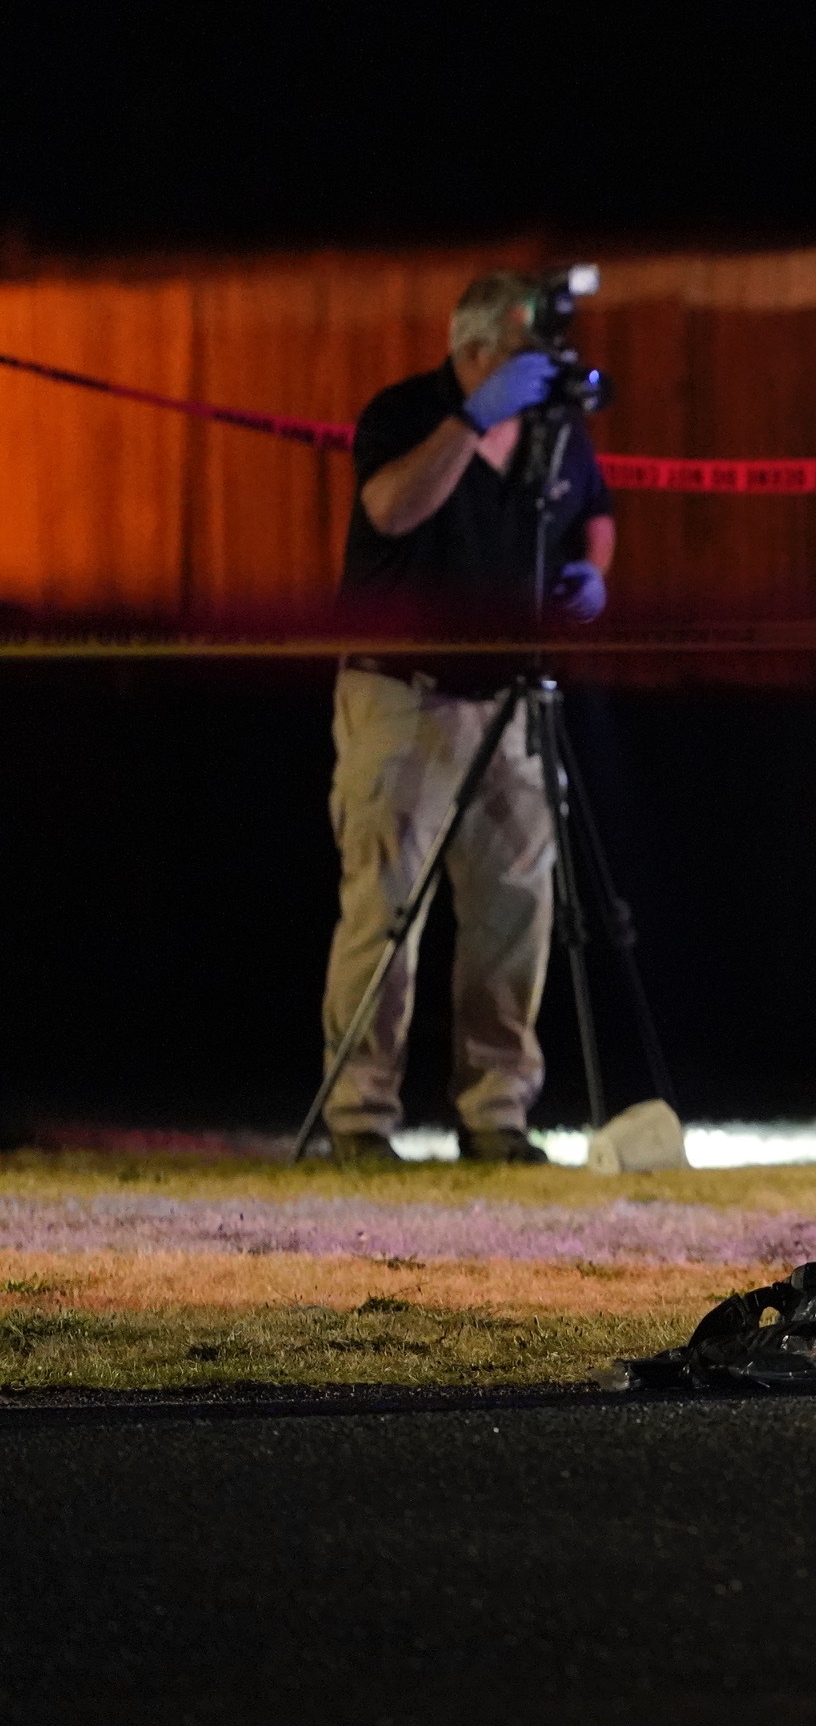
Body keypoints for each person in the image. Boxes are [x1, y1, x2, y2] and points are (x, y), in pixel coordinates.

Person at [316, 271, 614, 1165]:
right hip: (402, 696)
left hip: (508, 699)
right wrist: (474, 418)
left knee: (516, 909)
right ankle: (359, 1118)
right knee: (386, 905)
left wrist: (593, 575)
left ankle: (496, 1113)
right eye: (527, 359)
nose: (541, 376)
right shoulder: (407, 413)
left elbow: (594, 511)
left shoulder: (555, 435)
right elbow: (391, 508)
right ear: (475, 350)